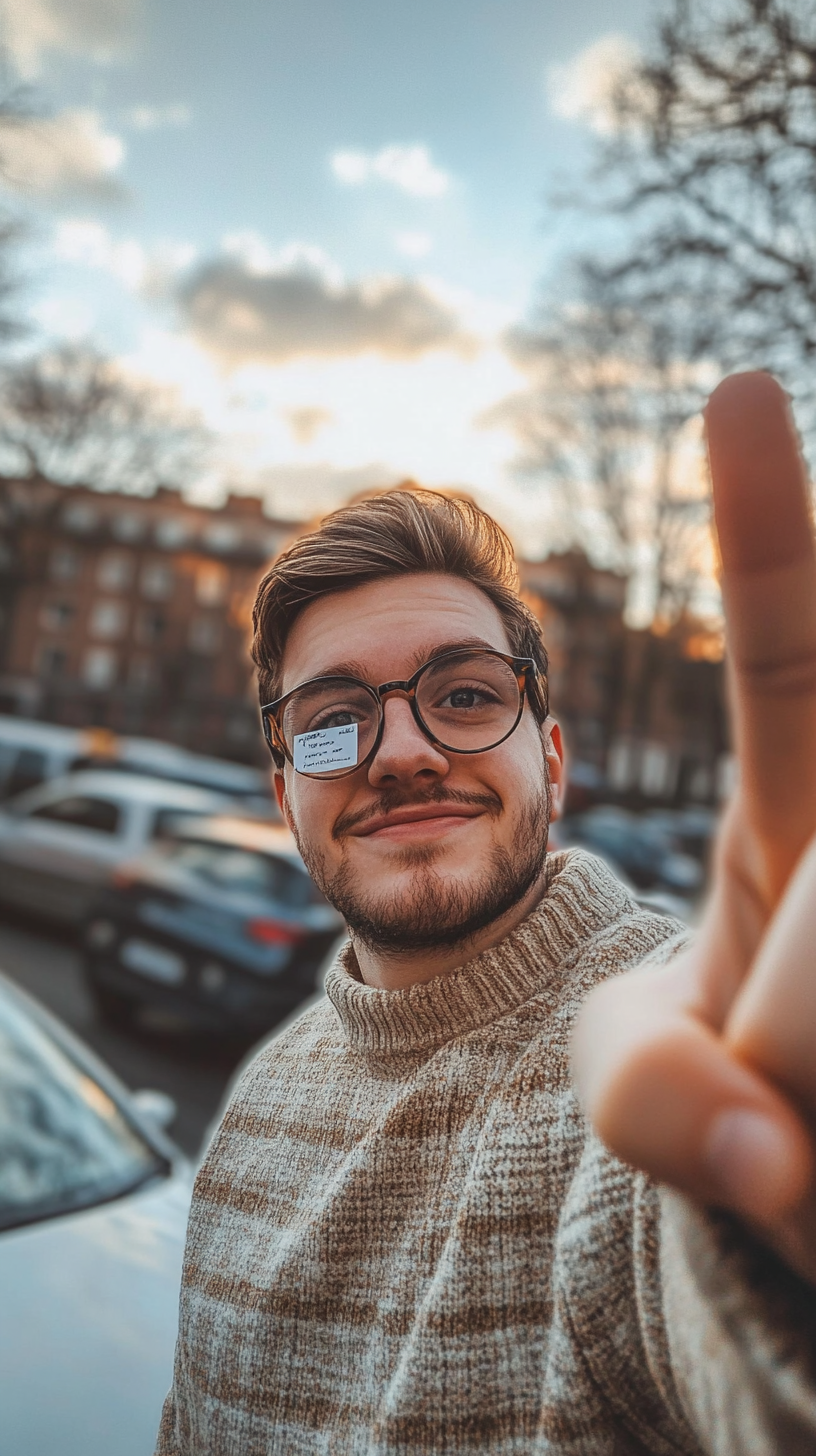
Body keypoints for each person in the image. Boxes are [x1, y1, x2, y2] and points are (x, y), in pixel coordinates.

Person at [156, 372, 816, 1455]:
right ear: (285, 795)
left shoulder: (664, 1050)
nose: (404, 751)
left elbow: (714, 1312)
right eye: (333, 720)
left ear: (551, 762)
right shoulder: (258, 1103)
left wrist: (774, 1230)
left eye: (465, 694)